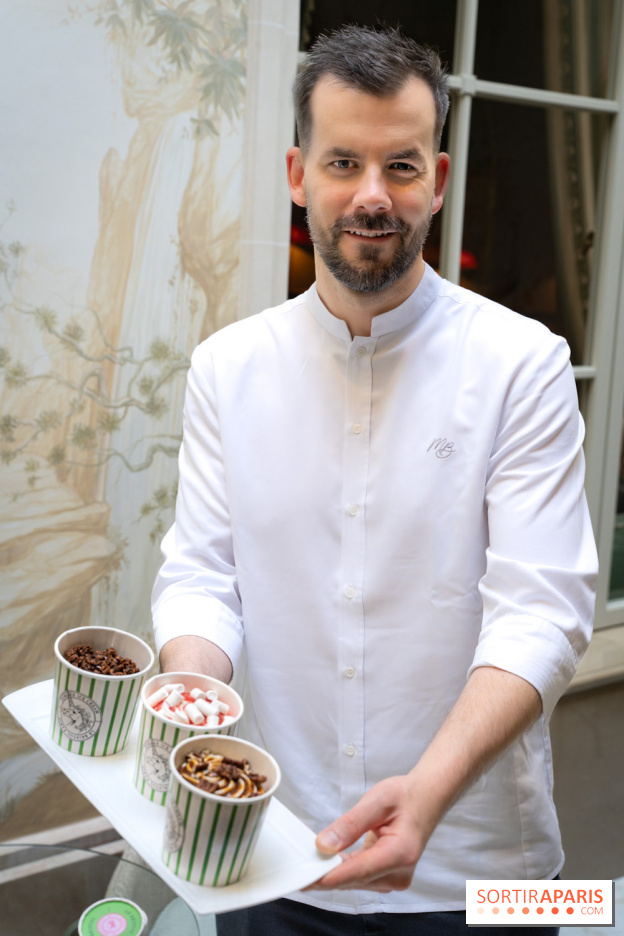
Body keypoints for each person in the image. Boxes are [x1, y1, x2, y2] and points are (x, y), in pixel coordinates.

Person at [152, 24, 597, 935]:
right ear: (296, 173)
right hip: (273, 852)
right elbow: (201, 577)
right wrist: (190, 694)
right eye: (343, 161)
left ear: (436, 179)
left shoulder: (524, 363)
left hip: (480, 873)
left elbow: (543, 610)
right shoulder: (226, 368)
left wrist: (425, 797)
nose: (371, 197)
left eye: (400, 167)